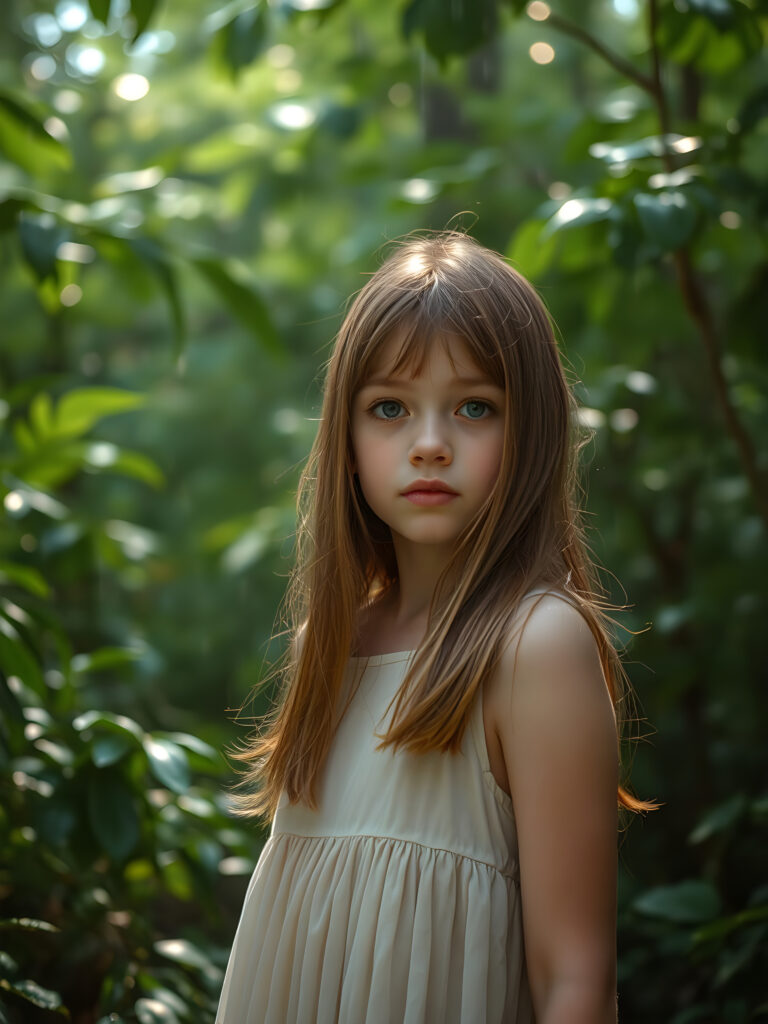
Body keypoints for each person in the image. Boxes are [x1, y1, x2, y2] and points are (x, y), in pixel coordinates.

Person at [215, 230, 654, 1024]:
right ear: (347, 441)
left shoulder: (534, 647)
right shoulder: (329, 646)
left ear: (530, 433)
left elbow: (575, 983)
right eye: (389, 408)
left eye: (474, 408)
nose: (428, 446)